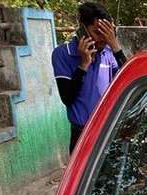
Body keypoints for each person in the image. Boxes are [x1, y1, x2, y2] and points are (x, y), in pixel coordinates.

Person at [52, 2, 128, 152]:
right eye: (97, 32)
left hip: (109, 130)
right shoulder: (62, 54)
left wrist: (115, 47)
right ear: (83, 29)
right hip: (82, 133)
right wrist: (84, 65)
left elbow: (129, 78)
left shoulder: (108, 53)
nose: (103, 38)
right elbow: (67, 98)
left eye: (106, 32)